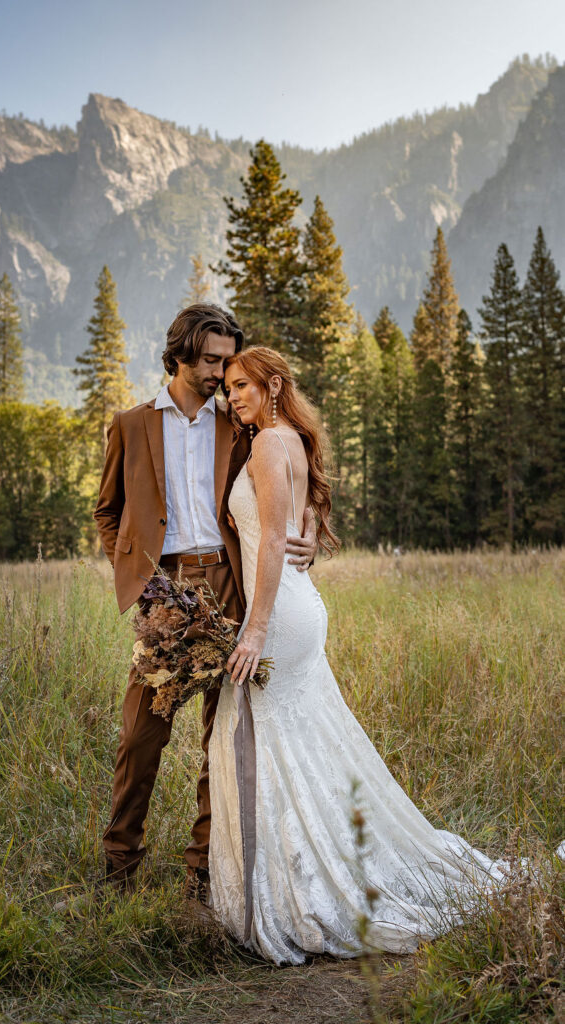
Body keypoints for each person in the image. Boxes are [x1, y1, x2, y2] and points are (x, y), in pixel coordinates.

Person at [208, 345, 518, 965]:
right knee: (298, 743)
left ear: (272, 386)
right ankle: (309, 871)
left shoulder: (268, 444)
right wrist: (308, 549)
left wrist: (253, 630)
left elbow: (272, 539)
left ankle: (296, 893)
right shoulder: (291, 438)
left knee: (249, 738)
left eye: (242, 384)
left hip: (279, 616)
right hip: (300, 605)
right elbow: (301, 526)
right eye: (227, 386)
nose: (231, 395)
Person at [93, 306, 317, 902]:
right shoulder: (131, 425)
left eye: (227, 361)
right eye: (213, 360)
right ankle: (119, 864)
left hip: (226, 584)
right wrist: (139, 577)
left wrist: (311, 525)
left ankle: (203, 874)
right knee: (143, 729)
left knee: (222, 732)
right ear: (181, 355)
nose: (222, 372)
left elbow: (293, 472)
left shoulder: (237, 425)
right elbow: (106, 511)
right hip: (163, 590)